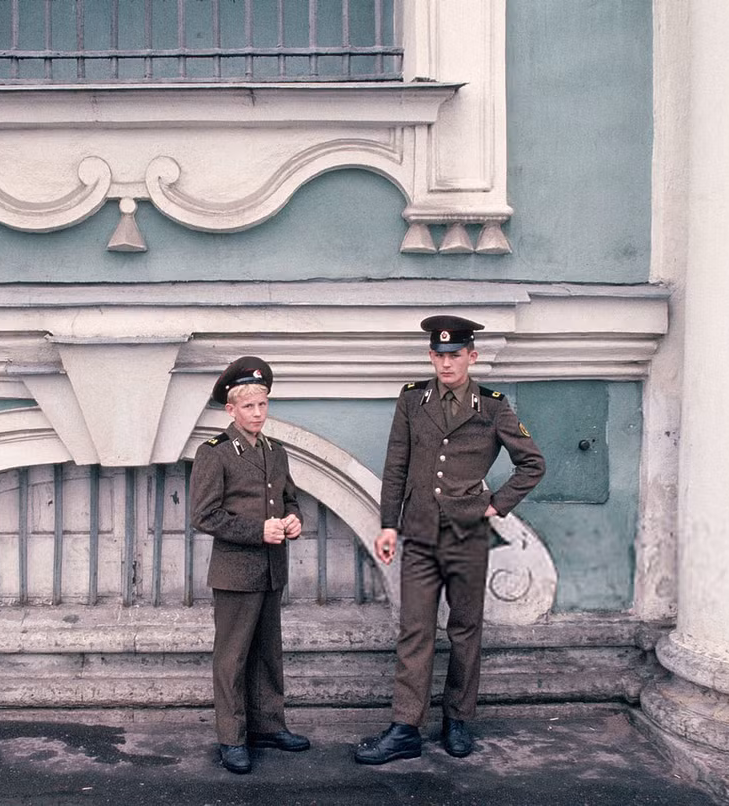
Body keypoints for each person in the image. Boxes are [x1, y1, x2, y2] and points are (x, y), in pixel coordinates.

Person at [355, 315, 545, 765]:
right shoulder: (411, 400)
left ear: (471, 357)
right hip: (419, 535)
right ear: (430, 357)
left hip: (467, 536)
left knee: (464, 631)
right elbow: (396, 465)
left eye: (454, 355)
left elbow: (532, 464)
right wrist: (388, 524)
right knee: (415, 631)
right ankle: (405, 727)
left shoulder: (493, 407)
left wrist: (496, 506)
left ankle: (457, 719)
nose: (446, 363)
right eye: (439, 355)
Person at [190, 356, 310, 775]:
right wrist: (258, 530)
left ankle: (269, 725)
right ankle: (232, 737)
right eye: (248, 407)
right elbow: (204, 516)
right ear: (231, 410)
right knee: (233, 658)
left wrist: (294, 520)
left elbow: (290, 497)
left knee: (267, 654)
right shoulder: (216, 454)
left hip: (272, 569)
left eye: (262, 404)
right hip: (235, 573)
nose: (257, 413)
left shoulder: (275, 452)